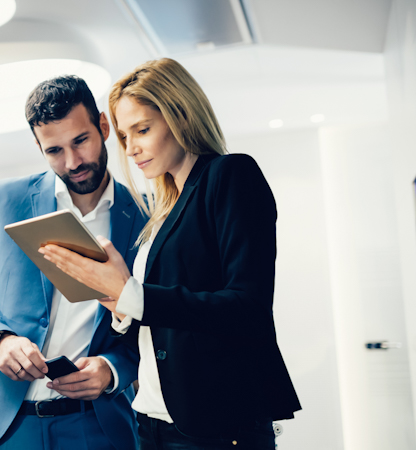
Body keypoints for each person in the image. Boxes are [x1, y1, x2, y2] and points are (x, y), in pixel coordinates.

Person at [38, 58, 302, 449]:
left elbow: (247, 308)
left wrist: (131, 294)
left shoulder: (230, 174)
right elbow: (164, 324)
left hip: (215, 425)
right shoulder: (162, 209)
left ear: (181, 115)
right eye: (124, 136)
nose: (131, 149)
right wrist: (118, 305)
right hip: (153, 420)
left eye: (142, 129)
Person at [0, 75, 146, 450]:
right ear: (38, 147)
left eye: (81, 140)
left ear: (104, 127)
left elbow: (154, 321)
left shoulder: (147, 215)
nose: (72, 162)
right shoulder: (3, 199)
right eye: (54, 150)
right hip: (4, 427)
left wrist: (113, 369)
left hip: (97, 426)